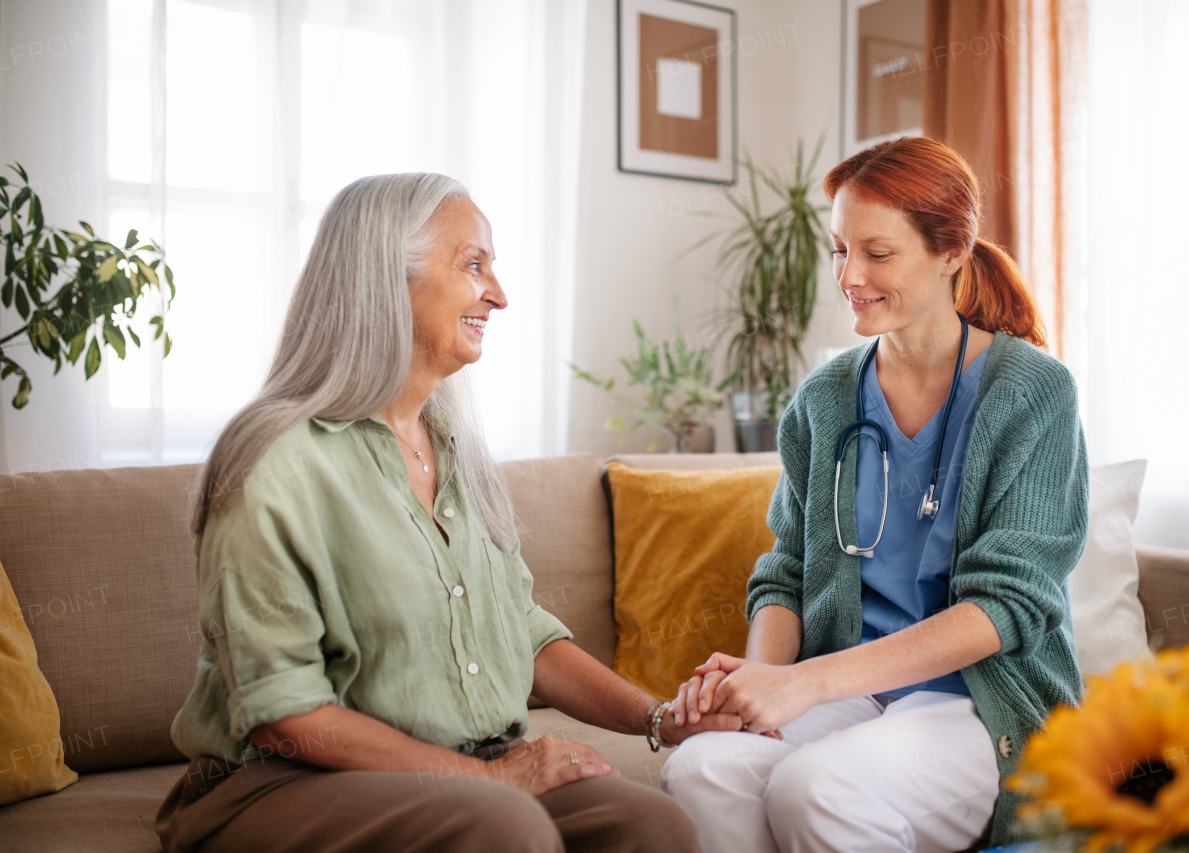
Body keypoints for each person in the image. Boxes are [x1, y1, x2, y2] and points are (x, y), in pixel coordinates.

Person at [156, 173, 740, 853]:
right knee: (505, 826)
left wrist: (660, 717)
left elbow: (527, 636)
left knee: (653, 825)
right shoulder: (276, 460)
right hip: (275, 781)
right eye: (473, 264)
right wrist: (491, 777)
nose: (499, 293)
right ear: (386, 279)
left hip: (456, 770)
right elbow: (286, 718)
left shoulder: (454, 447)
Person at [660, 136, 1089, 853]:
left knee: (819, 787)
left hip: (980, 703)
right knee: (702, 769)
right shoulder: (824, 399)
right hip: (848, 693)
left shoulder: (1034, 392)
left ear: (952, 251)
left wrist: (806, 684)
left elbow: (1009, 606)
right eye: (838, 249)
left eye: (877, 253)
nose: (849, 275)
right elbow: (786, 573)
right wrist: (761, 683)